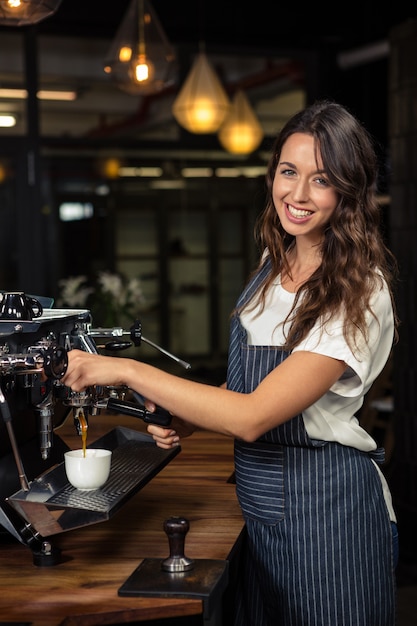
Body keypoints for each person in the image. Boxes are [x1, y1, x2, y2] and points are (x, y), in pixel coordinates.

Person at [61, 100, 399, 626]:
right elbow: (249, 386)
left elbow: (253, 415)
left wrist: (127, 369)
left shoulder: (359, 290)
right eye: (288, 172)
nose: (298, 194)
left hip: (329, 515)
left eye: (322, 180)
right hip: (261, 509)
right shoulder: (273, 261)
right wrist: (190, 418)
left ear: (350, 192)